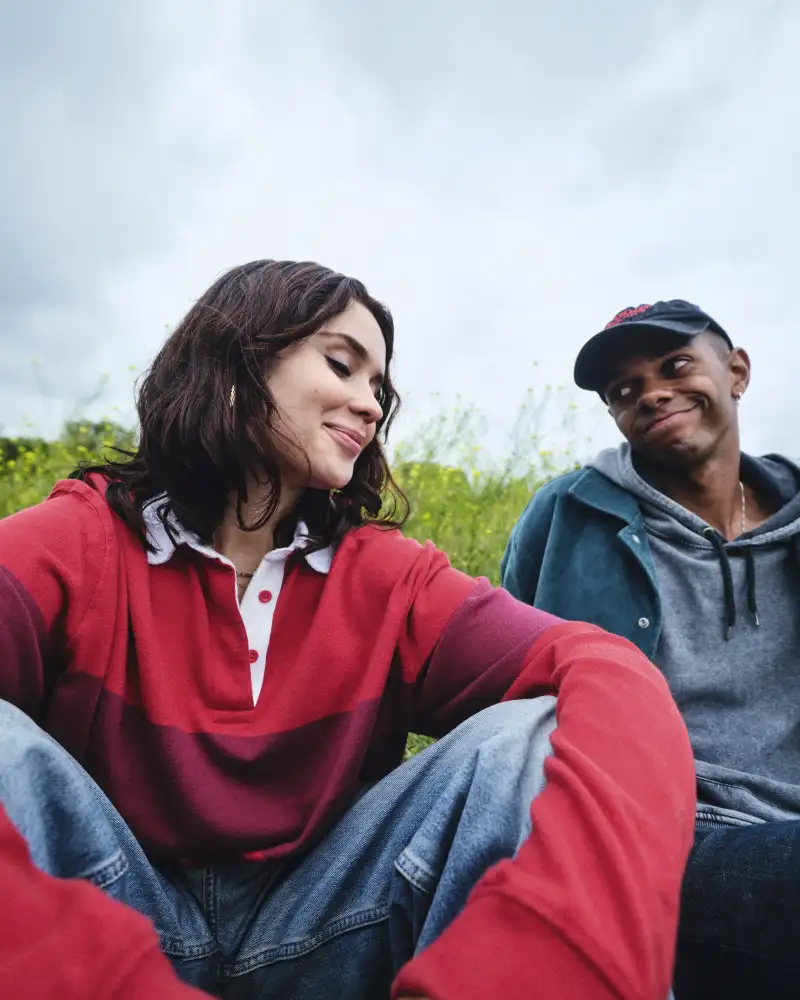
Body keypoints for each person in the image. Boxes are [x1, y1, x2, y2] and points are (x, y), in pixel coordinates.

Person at [0, 263, 695, 1000]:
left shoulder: (390, 578)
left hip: (325, 922)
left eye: (379, 388)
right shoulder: (82, 540)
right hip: (106, 910)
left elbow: (599, 662)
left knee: (531, 734)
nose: (369, 405)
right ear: (237, 362)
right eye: (341, 365)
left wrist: (561, 948)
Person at [501, 299, 800, 999]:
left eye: (674, 365)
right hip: (662, 834)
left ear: (737, 371)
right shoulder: (569, 514)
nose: (652, 393)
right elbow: (506, 687)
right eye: (624, 389)